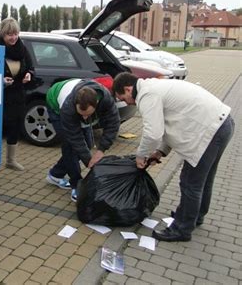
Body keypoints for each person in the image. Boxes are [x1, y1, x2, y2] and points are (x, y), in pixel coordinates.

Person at [112, 72, 234, 242]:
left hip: (210, 132)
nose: (128, 103)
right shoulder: (153, 87)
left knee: (190, 182)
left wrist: (141, 155)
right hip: (221, 125)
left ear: (128, 88)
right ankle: (194, 215)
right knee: (203, 179)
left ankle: (182, 229)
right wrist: (159, 152)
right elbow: (169, 125)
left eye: (124, 98)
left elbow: (153, 134)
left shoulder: (147, 95)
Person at [45, 78, 120, 202]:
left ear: (96, 104)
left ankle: (55, 175)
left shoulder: (106, 99)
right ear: (75, 105)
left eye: (88, 114)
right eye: (81, 114)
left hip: (76, 92)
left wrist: (101, 150)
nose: (84, 117)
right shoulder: (68, 108)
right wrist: (90, 162)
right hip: (54, 104)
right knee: (70, 148)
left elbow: (113, 124)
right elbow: (75, 140)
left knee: (89, 143)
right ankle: (76, 184)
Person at [0, 18, 33, 171]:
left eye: (15, 34)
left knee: (15, 126)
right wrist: (0, 80)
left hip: (17, 94)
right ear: (2, 34)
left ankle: (10, 160)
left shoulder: (22, 48)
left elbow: (30, 66)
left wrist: (29, 75)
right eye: (9, 35)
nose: (13, 38)